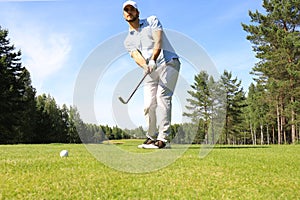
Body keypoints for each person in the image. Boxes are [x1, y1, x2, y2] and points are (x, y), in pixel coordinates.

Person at [122, 0, 180, 149]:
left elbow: (158, 40)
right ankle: (151, 137)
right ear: (124, 15)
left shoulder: (151, 20)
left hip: (168, 62)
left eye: (132, 9)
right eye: (126, 10)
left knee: (162, 97)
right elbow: (136, 55)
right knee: (148, 105)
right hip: (150, 69)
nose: (129, 12)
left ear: (137, 12)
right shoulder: (128, 40)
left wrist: (153, 59)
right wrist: (145, 65)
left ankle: (163, 139)